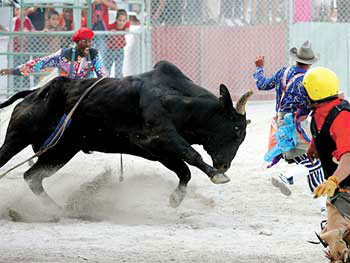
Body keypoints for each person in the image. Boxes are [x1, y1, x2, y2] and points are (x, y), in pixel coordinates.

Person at [253, 41, 326, 211]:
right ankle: (286, 177)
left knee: (311, 164)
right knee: (314, 162)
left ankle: (323, 206)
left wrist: (259, 68)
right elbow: (311, 104)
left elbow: (262, 85)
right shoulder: (308, 80)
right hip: (296, 124)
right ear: (310, 63)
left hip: (281, 121)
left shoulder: (283, 72)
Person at [304, 67, 350, 263]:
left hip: (344, 185)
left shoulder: (342, 118)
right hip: (342, 185)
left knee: (335, 232)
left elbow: (348, 157)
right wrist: (314, 146)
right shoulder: (319, 113)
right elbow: (323, 132)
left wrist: (333, 180)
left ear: (314, 93)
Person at [0, 27, 108, 80]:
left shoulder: (94, 55)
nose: (88, 44)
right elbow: (40, 63)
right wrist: (14, 71)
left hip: (86, 93)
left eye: (90, 41)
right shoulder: (64, 55)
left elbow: (103, 76)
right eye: (85, 41)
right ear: (77, 42)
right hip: (65, 92)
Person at [105, 9, 130, 78]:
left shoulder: (126, 25)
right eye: (119, 20)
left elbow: (128, 24)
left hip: (120, 50)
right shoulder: (112, 26)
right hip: (110, 50)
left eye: (123, 20)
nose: (121, 22)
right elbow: (106, 35)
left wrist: (127, 28)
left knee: (118, 70)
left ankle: (118, 83)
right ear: (116, 19)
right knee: (107, 69)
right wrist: (110, 33)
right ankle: (106, 82)